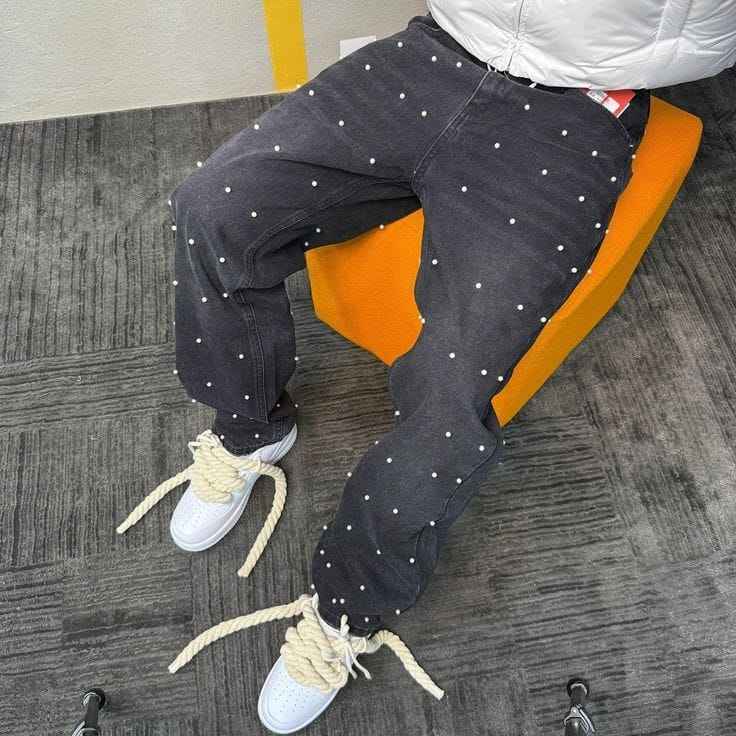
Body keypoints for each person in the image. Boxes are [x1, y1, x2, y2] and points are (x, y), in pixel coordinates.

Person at [120, 2, 735, 733]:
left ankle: (348, 607)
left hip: (578, 107)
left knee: (453, 385)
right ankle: (252, 427)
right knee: (211, 207)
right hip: (438, 52)